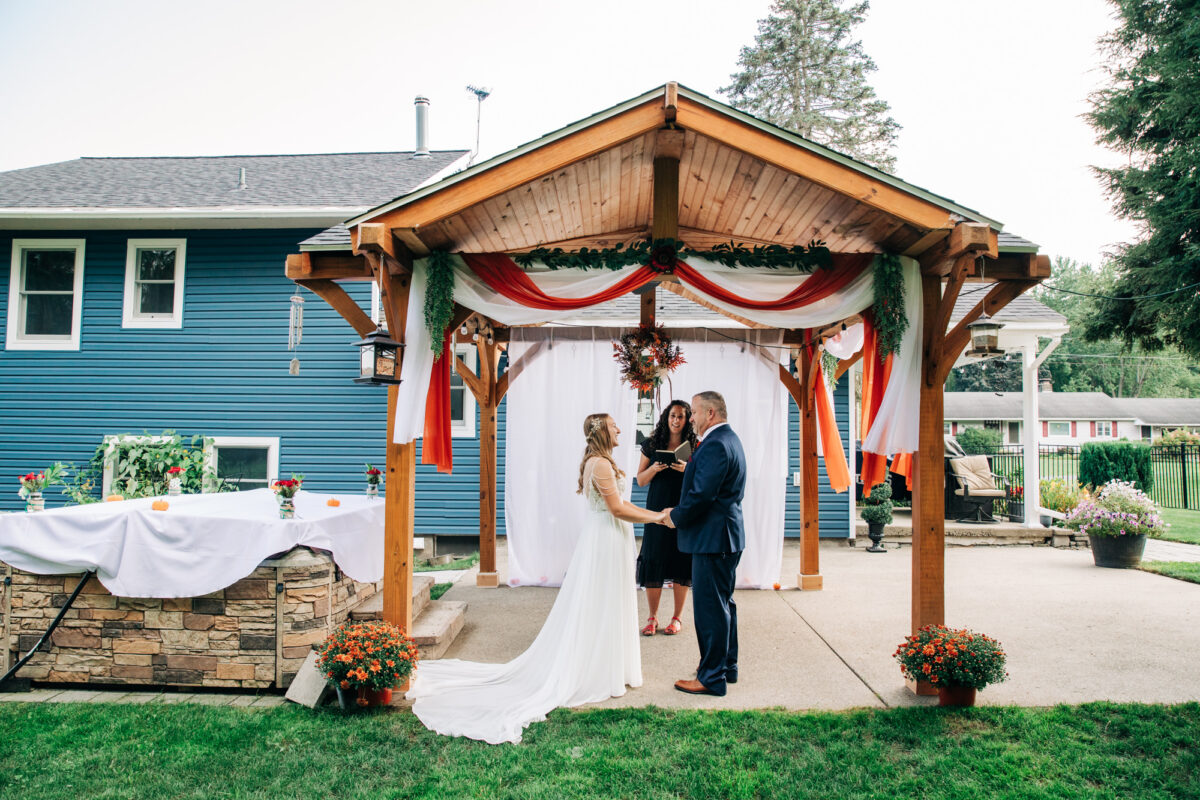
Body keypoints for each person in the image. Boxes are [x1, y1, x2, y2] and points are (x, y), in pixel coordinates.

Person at [407, 413, 669, 744]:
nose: (619, 429)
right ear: (602, 431)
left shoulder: (601, 461)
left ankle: (609, 665)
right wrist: (658, 518)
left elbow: (622, 504)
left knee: (607, 603)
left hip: (610, 537)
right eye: (614, 425)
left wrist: (654, 517)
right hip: (605, 539)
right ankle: (598, 670)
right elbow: (617, 509)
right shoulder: (600, 465)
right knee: (602, 602)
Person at [662, 390, 746, 697]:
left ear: (710, 413)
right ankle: (727, 667)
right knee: (723, 604)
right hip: (725, 536)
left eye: (695, 413)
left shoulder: (715, 445)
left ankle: (711, 678)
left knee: (710, 609)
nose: (691, 419)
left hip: (713, 539)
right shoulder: (730, 440)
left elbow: (702, 495)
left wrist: (676, 516)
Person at [634, 400, 698, 636]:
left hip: (683, 508)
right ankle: (652, 618)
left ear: (687, 419)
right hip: (657, 509)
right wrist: (655, 468)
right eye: (673, 416)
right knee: (654, 559)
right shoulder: (652, 444)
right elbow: (640, 480)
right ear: (666, 417)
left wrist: (687, 470)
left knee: (682, 561)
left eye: (681, 416)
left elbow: (702, 479)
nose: (676, 420)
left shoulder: (693, 444)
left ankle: (677, 618)